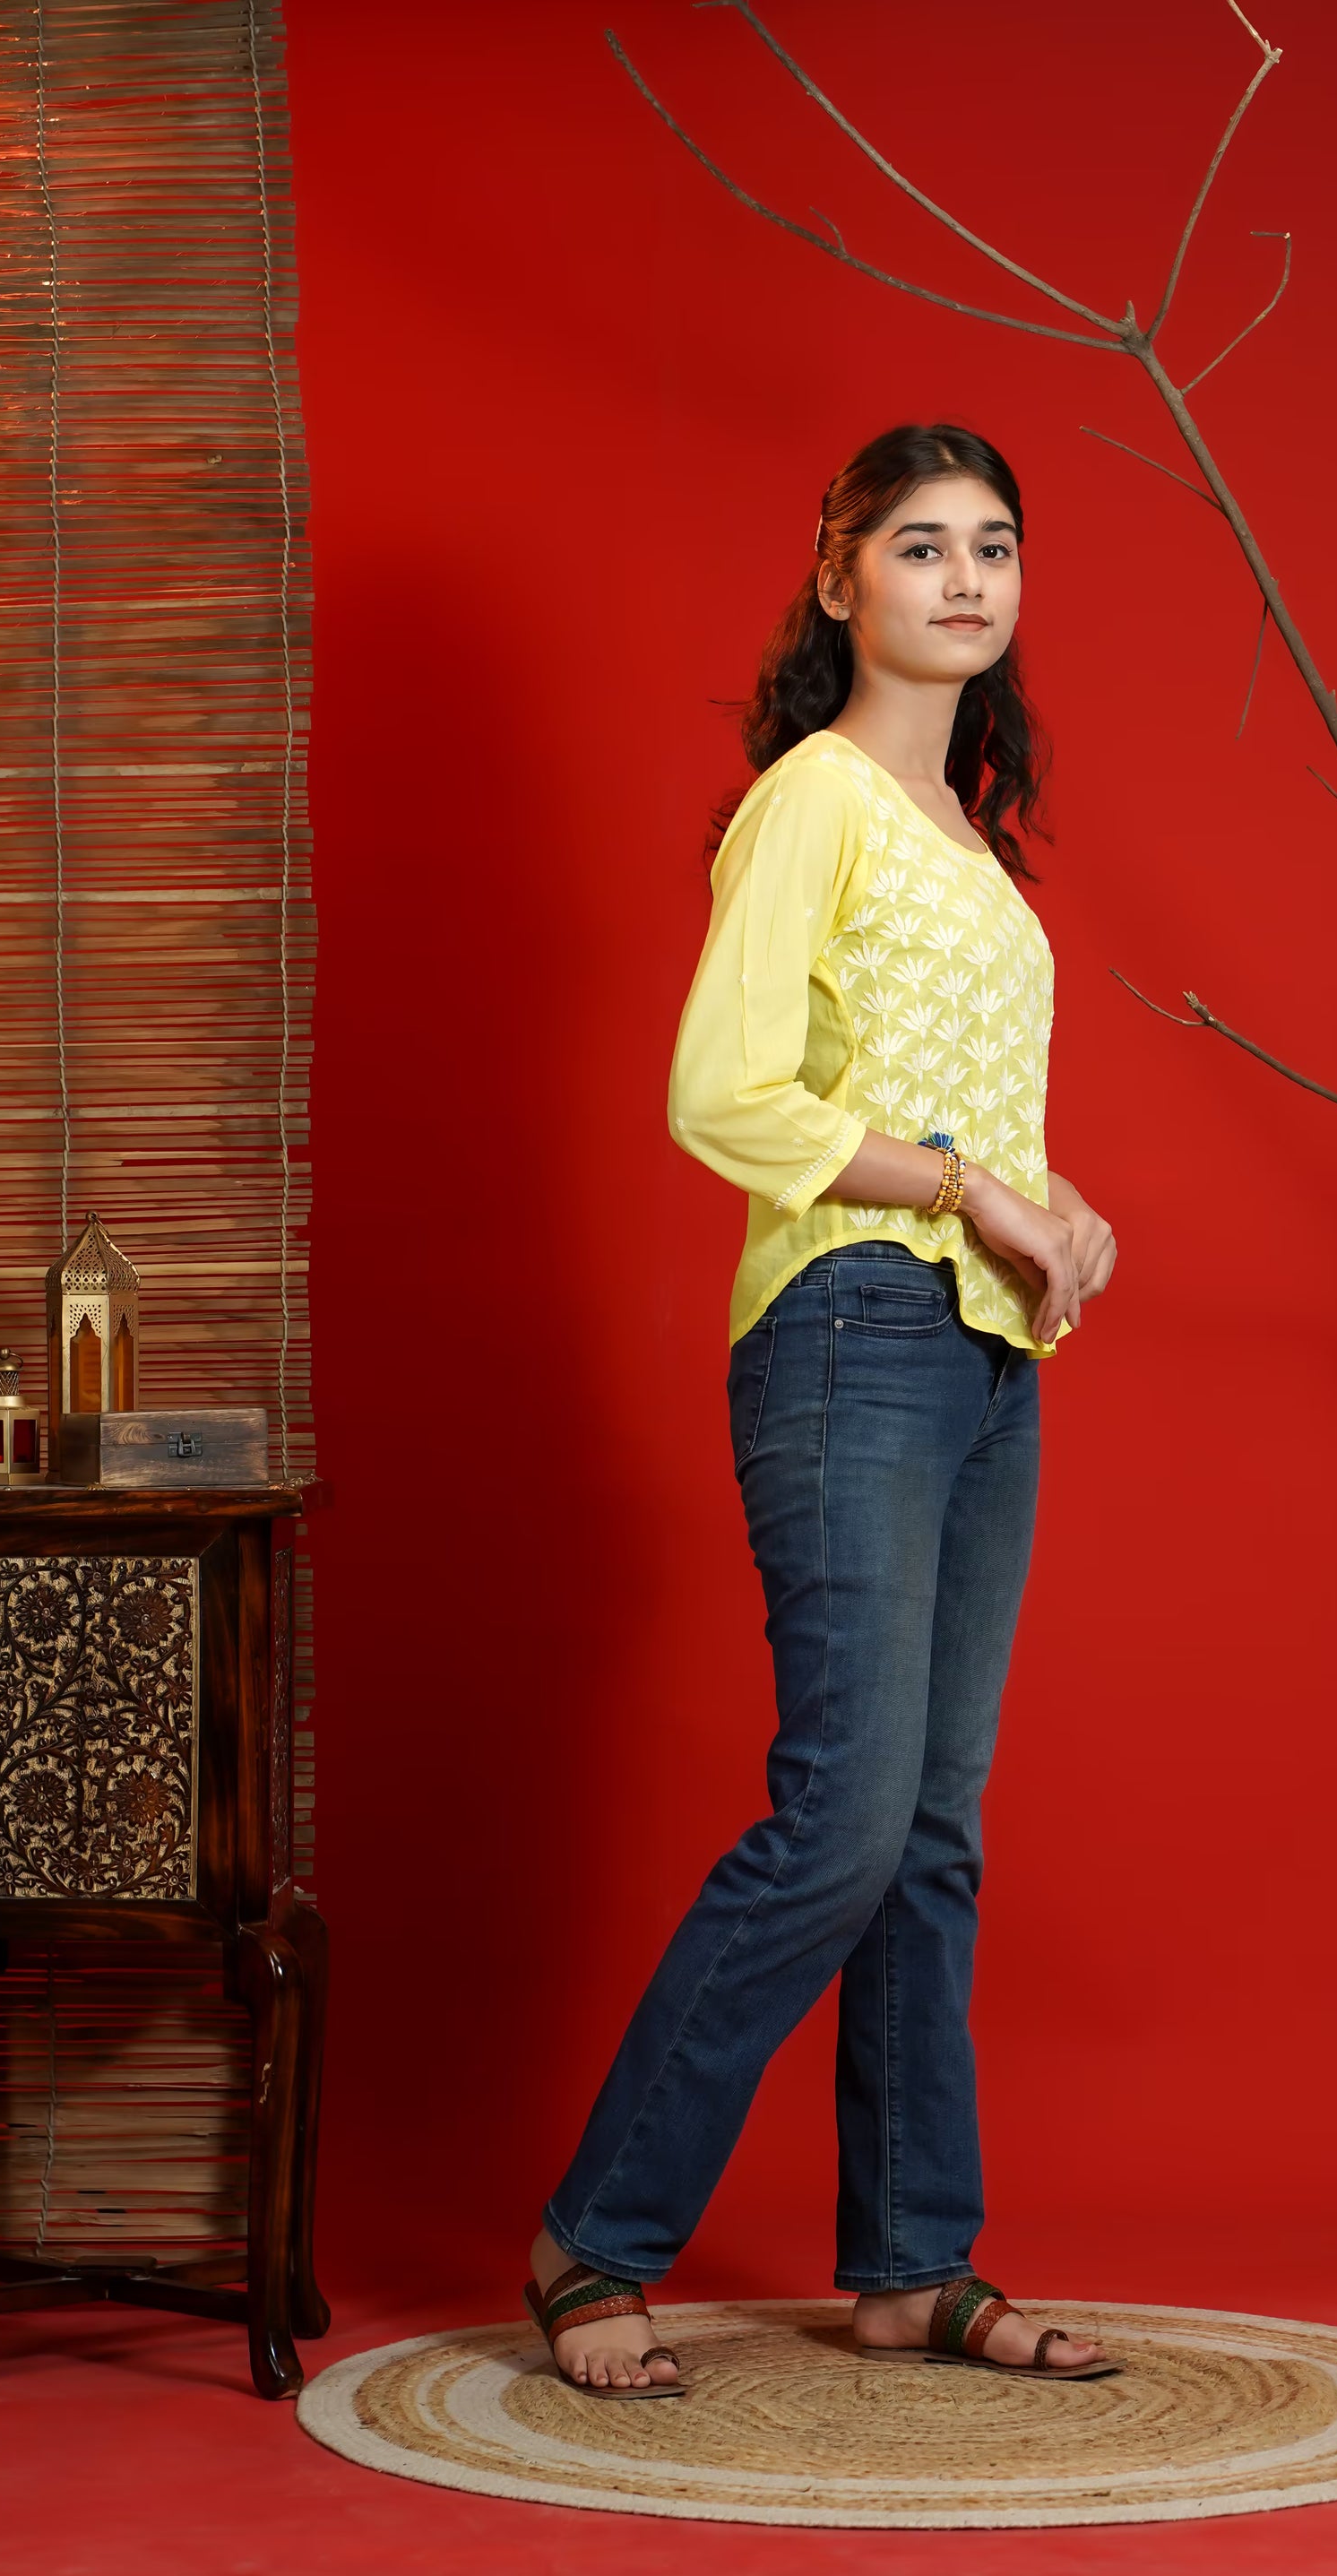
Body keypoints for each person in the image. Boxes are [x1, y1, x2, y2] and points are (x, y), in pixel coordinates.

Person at [524, 423, 1119, 2399]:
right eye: (921, 545)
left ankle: (907, 2262)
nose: (964, 579)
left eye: (995, 548)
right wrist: (969, 1189)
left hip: (978, 1350)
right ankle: (594, 2236)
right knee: (844, 1821)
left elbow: (971, 1119)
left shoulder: (967, 842)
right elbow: (727, 1095)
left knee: (933, 1832)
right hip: (851, 1323)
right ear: (836, 573)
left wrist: (1059, 1217)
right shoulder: (813, 800)